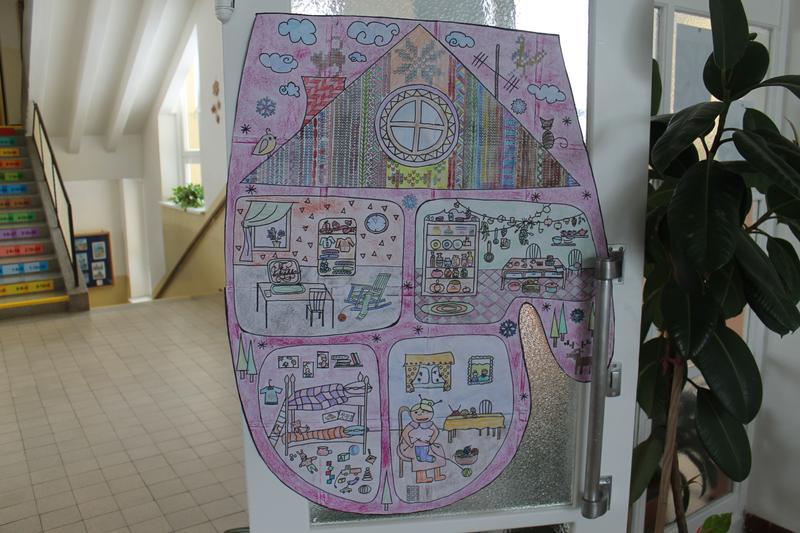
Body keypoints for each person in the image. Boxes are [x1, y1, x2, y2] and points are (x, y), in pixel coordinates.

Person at [399, 397, 446, 483]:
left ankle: (437, 475)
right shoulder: (413, 424)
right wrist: (410, 444)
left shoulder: (430, 423)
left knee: (439, 451)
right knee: (420, 457)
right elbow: (405, 433)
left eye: (425, 412)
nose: (421, 415)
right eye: (416, 413)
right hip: (414, 445)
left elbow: (436, 431)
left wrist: (431, 441)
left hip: (427, 444)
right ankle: (421, 477)